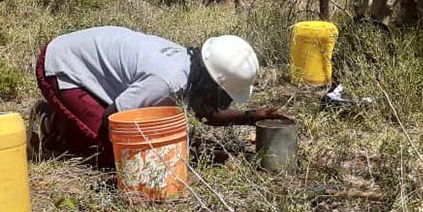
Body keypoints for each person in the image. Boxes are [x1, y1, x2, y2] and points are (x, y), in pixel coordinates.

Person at [32, 26, 291, 165]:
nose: (227, 102)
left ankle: (72, 116)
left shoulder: (193, 67)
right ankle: (52, 122)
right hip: (60, 66)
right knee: (112, 154)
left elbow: (206, 113)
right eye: (226, 94)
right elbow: (112, 117)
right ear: (214, 82)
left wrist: (252, 117)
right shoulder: (167, 82)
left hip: (83, 60)